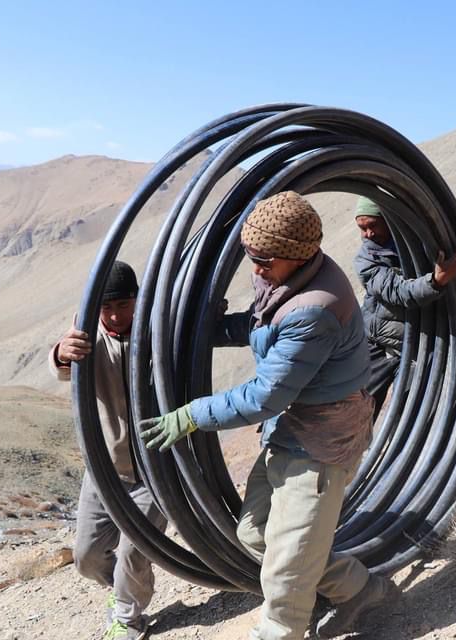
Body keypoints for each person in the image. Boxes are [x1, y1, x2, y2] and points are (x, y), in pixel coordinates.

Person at [139, 191, 396, 640]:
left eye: (264, 260)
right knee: (256, 536)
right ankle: (359, 588)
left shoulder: (316, 307)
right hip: (291, 430)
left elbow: (266, 396)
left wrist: (194, 414)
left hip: (322, 443)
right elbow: (265, 324)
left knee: (285, 575)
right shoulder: (287, 272)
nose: (256, 269)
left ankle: (284, 625)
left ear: (297, 254)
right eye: (251, 257)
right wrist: (213, 328)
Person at [49, 261, 166, 640]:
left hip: (156, 471)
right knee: (86, 557)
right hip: (104, 469)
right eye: (107, 307)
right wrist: (61, 353)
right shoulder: (86, 334)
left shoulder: (158, 327)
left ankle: (129, 617)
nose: (115, 315)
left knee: (135, 551)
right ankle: (124, 590)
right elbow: (63, 367)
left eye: (124, 305)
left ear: (138, 299)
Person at [352, 196, 456, 418]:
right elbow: (397, 292)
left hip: (425, 344)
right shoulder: (366, 259)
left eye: (372, 225)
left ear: (389, 219)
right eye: (362, 228)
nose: (368, 234)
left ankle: (427, 451)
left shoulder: (428, 242)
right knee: (354, 411)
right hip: (380, 343)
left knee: (415, 413)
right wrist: (436, 281)